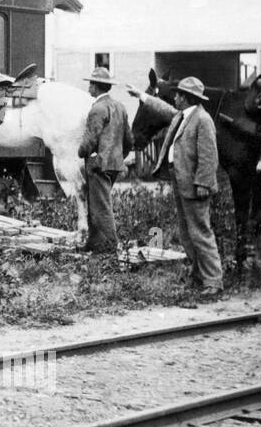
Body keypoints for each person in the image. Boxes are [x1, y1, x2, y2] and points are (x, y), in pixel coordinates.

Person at [131, 76, 224, 295]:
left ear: (186, 97)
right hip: (181, 181)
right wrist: (142, 96)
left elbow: (209, 156)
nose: (174, 98)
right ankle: (199, 275)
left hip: (195, 184)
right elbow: (162, 109)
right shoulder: (182, 116)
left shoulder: (202, 119)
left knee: (200, 232)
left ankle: (213, 281)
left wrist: (203, 183)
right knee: (186, 234)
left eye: (178, 94)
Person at [77, 67, 133, 253]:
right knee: (95, 203)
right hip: (114, 164)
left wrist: (81, 152)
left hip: (99, 165)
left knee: (101, 207)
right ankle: (93, 243)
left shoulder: (97, 109)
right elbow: (129, 140)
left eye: (91, 84)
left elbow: (90, 139)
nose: (88, 88)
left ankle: (109, 249)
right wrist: (119, 157)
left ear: (96, 87)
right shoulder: (120, 107)